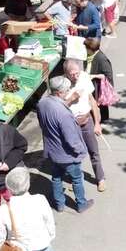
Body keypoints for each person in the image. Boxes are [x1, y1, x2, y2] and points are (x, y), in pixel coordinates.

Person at [0, 167, 63, 251]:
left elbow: (0, 233)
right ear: (28, 184)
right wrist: (50, 236)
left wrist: (1, 247)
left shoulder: (4, 209)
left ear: (8, 188)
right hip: (41, 244)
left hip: (19, 249)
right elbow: (49, 221)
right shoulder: (40, 199)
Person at [36, 76, 94, 213]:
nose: (69, 92)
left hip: (53, 151)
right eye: (67, 90)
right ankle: (81, 203)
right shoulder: (63, 113)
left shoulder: (42, 103)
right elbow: (71, 139)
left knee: (56, 177)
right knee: (77, 179)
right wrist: (80, 151)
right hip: (67, 154)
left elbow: (42, 124)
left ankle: (59, 204)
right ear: (59, 93)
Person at [63, 59, 106, 192]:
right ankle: (76, 179)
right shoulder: (62, 85)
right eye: (72, 74)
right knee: (74, 154)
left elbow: (92, 101)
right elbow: (58, 107)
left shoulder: (84, 78)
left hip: (87, 121)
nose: (75, 76)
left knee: (94, 151)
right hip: (72, 125)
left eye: (77, 73)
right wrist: (71, 99)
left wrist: (97, 123)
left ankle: (100, 178)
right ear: (66, 74)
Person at [84, 38, 114, 123]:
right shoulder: (91, 56)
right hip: (92, 85)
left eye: (86, 48)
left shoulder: (101, 59)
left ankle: (100, 121)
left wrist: (93, 76)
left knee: (99, 104)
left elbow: (108, 76)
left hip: (98, 87)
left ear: (90, 49)